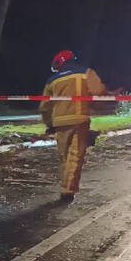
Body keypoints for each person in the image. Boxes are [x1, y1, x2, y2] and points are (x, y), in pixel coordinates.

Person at [39, 50, 107, 203]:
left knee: (64, 157)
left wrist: (50, 125)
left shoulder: (52, 80)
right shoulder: (86, 72)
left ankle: (65, 186)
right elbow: (99, 92)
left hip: (60, 123)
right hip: (79, 120)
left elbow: (44, 106)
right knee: (75, 156)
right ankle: (67, 192)